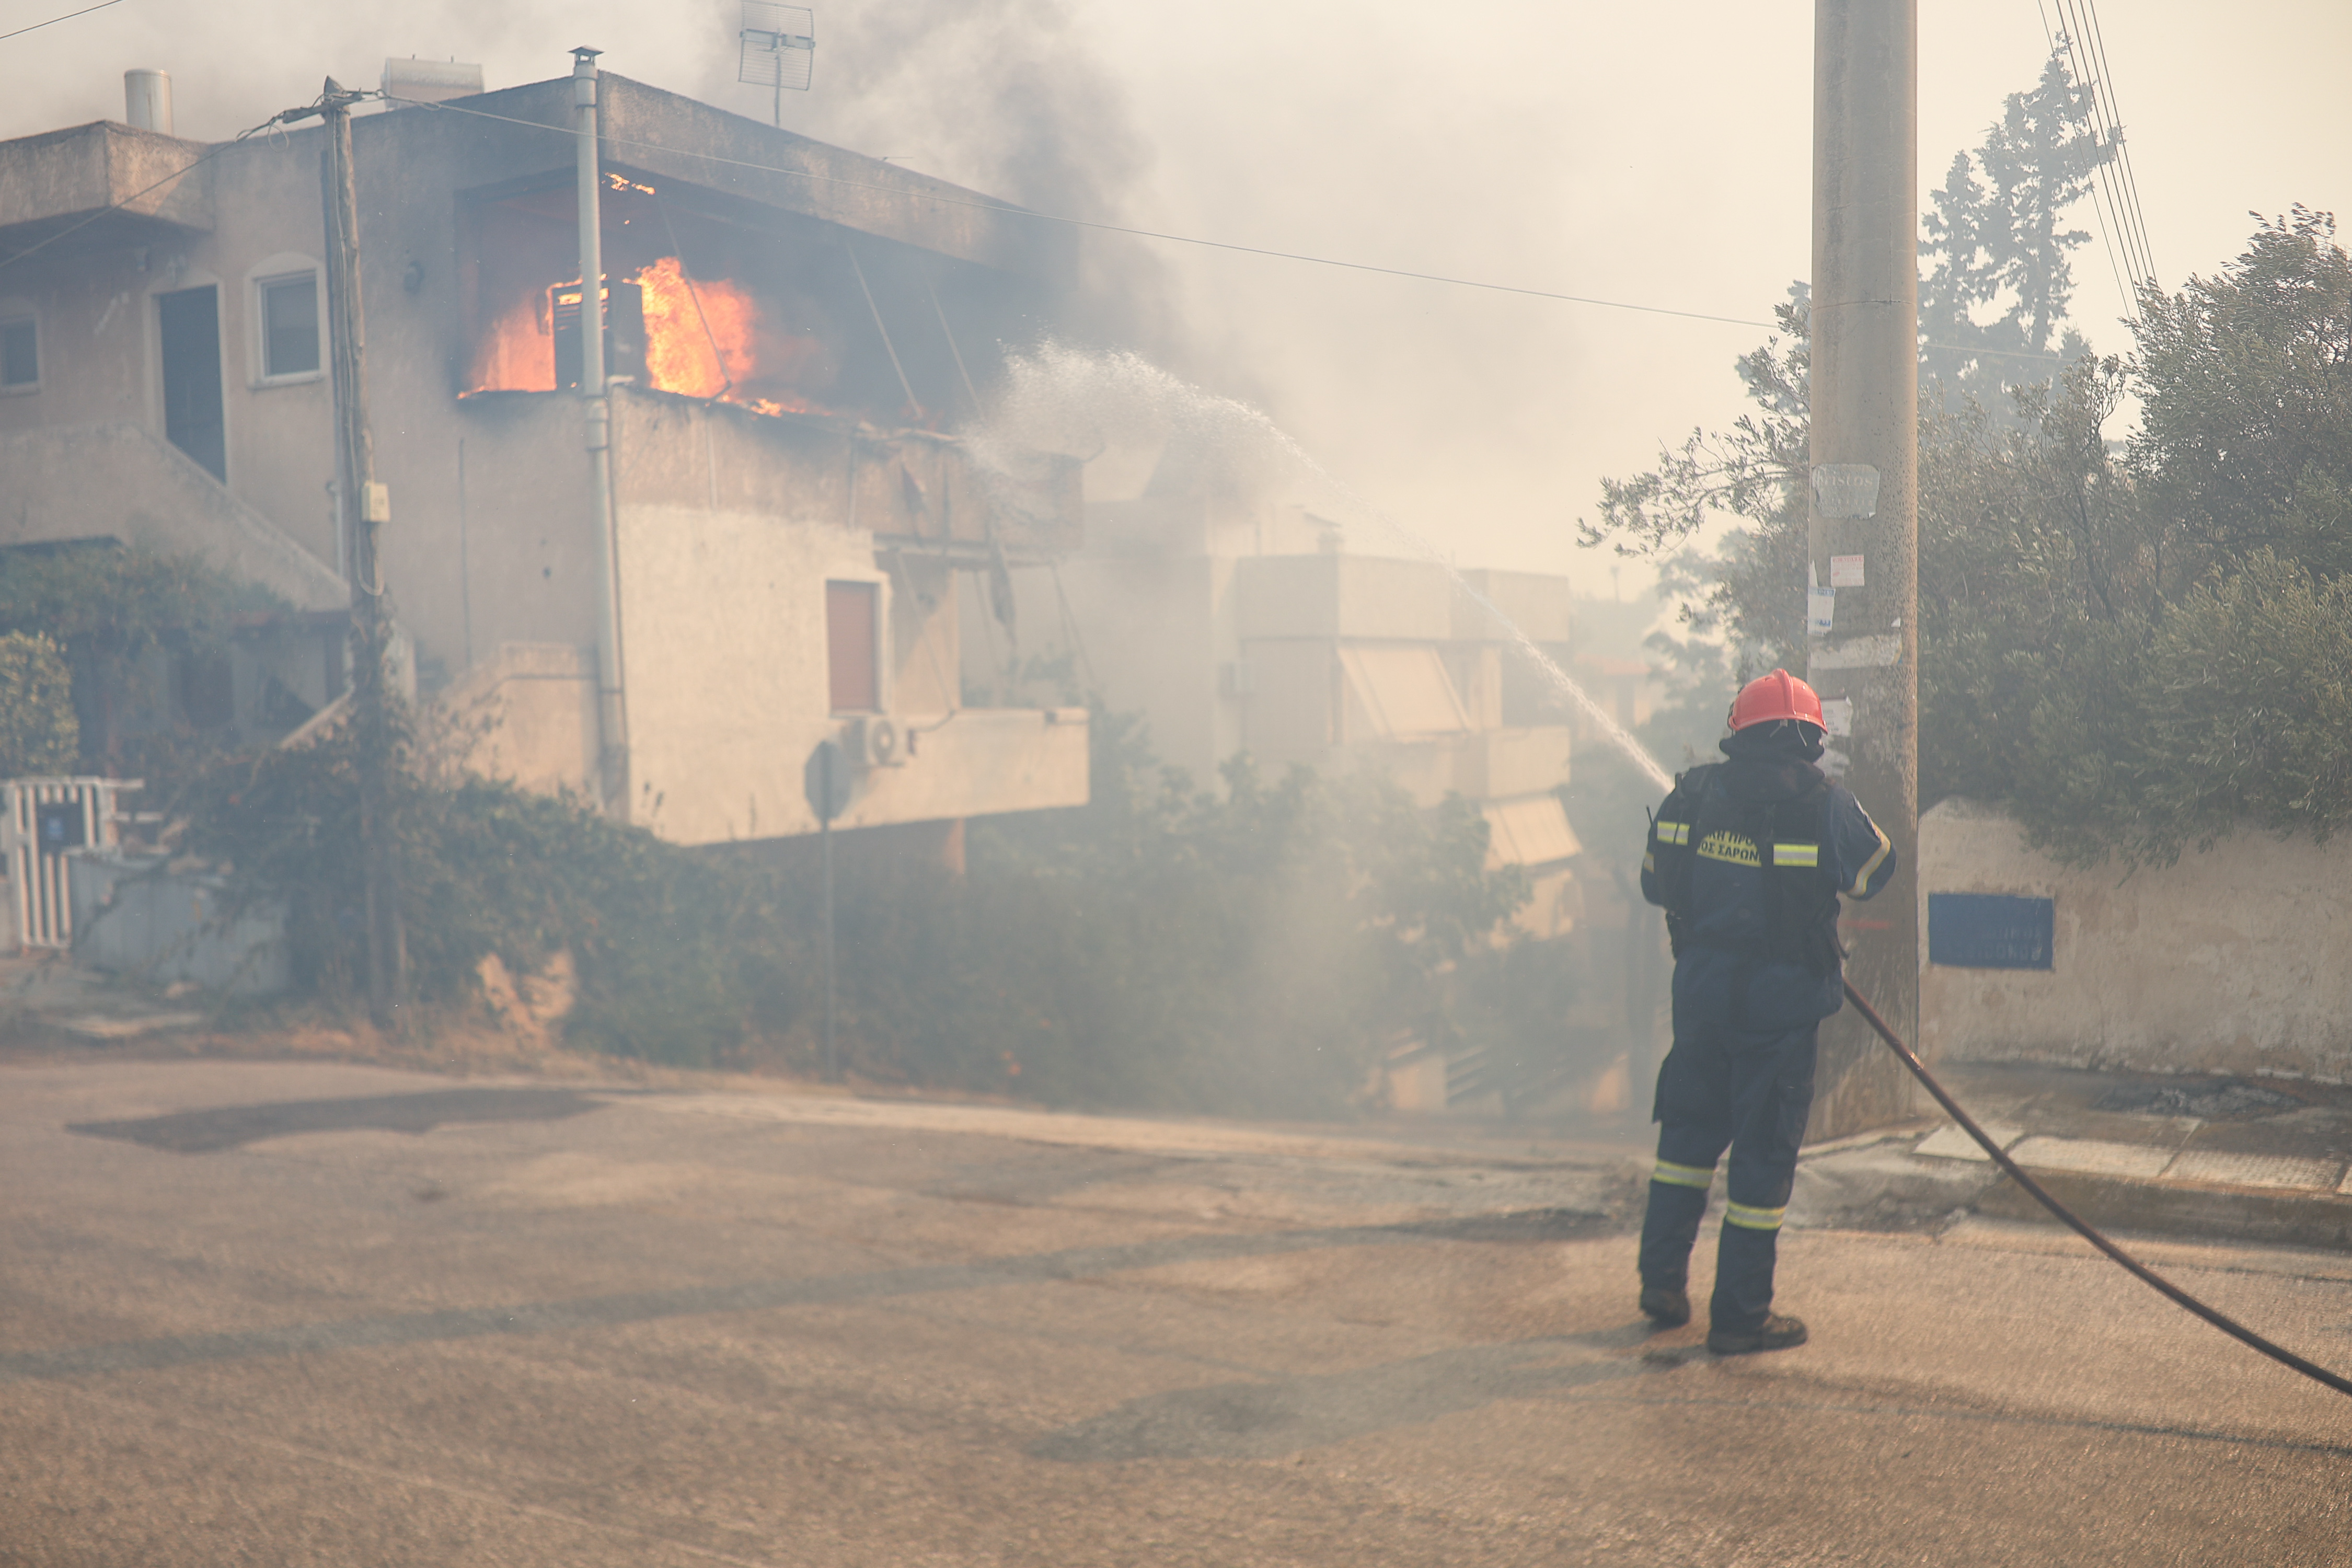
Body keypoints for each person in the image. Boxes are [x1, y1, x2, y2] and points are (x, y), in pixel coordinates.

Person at [1635, 668, 1898, 1354]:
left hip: (1700, 1002)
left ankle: (1662, 1285)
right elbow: (1876, 872)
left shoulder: (1692, 795)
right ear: (1813, 738)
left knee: (1685, 1143)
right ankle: (1741, 1317)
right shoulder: (1825, 804)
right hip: (1778, 1015)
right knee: (1760, 1162)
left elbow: (1652, 884)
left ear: (1737, 732)